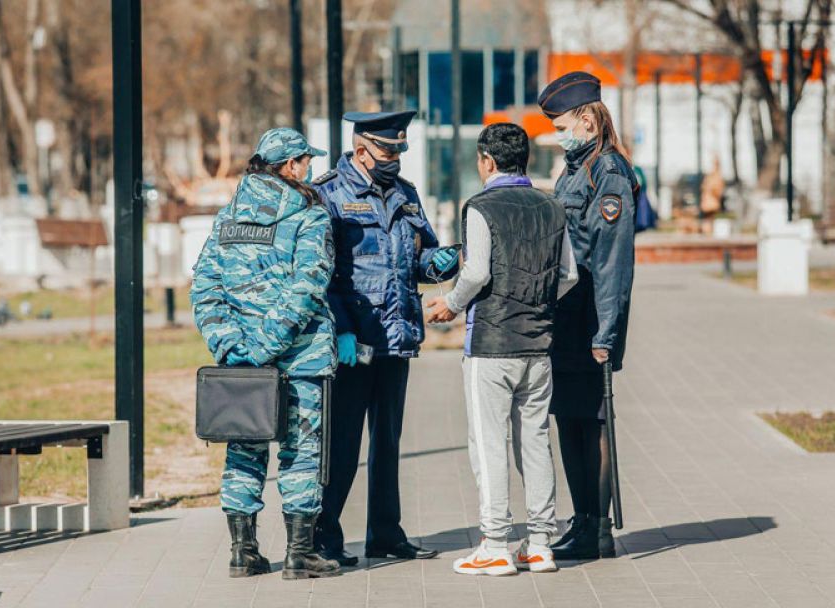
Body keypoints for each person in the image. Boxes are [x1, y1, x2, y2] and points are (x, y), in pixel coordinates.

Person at [427, 123, 578, 576]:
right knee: (534, 441)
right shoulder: (552, 207)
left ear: (486, 161)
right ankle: (539, 543)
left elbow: (474, 274)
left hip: (491, 344)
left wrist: (449, 306)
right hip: (539, 345)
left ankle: (495, 542)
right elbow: (568, 275)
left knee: (489, 442)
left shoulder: (481, 207)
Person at [191, 127, 341, 580]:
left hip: (241, 366)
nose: (310, 169)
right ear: (290, 166)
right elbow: (308, 287)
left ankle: (243, 552)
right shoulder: (310, 217)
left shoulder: (226, 219)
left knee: (244, 449)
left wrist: (231, 346)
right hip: (301, 359)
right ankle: (300, 554)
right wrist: (267, 346)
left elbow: (205, 287)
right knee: (301, 452)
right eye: (305, 162)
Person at [312, 110, 460, 565]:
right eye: (387, 150)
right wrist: (342, 331)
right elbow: (322, 274)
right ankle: (323, 538)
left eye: (399, 150)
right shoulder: (327, 194)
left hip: (397, 335)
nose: (394, 157)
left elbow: (421, 255)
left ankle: (385, 534)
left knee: (387, 441)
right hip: (355, 340)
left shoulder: (406, 194)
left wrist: (446, 261)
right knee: (341, 445)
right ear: (361, 150)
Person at [537, 72, 638, 560]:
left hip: (590, 316)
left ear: (587, 116)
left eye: (562, 124)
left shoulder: (609, 172)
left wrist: (607, 332)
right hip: (566, 314)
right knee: (570, 419)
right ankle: (582, 521)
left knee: (593, 423)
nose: (559, 134)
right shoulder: (575, 169)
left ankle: (598, 529)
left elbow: (612, 260)